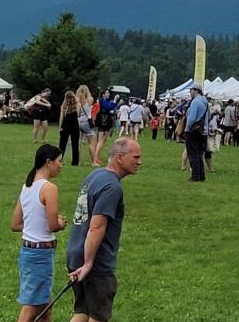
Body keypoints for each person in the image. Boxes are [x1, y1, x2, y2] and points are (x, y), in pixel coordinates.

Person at [67, 138, 142, 322]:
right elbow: (96, 227)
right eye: (136, 157)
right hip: (95, 263)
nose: (139, 162)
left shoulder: (95, 175)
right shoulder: (112, 187)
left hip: (75, 254)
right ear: (119, 157)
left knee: (82, 311)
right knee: (98, 316)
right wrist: (89, 263)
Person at [11, 144, 67, 322]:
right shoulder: (49, 188)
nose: (61, 165)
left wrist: (36, 223)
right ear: (48, 162)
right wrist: (60, 222)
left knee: (45, 308)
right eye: (59, 161)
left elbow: (16, 224)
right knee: (31, 308)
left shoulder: (27, 187)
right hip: (41, 254)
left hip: (27, 252)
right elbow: (52, 225)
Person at [184, 84, 209, 182]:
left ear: (196, 91)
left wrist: (187, 128)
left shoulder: (195, 102)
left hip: (193, 131)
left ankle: (195, 176)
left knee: (193, 154)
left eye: (191, 90)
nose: (190, 92)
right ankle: (201, 175)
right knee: (199, 154)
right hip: (203, 131)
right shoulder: (205, 102)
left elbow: (191, 118)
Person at [92, 91, 116, 166]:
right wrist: (115, 100)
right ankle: (95, 157)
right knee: (101, 140)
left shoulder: (101, 101)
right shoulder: (102, 101)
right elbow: (109, 106)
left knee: (100, 141)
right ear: (103, 94)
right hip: (104, 122)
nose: (108, 94)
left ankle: (96, 156)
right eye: (107, 93)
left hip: (102, 121)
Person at [59, 91, 81, 166]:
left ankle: (59, 160)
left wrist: (60, 127)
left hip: (65, 125)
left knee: (62, 144)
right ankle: (75, 162)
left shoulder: (64, 106)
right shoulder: (77, 105)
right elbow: (78, 114)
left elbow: (61, 117)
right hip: (75, 125)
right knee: (75, 145)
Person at [76, 86, 97, 165]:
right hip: (86, 122)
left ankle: (77, 161)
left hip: (78, 121)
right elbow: (91, 97)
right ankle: (93, 162)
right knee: (91, 142)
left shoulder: (77, 101)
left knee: (78, 143)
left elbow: (77, 113)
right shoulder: (89, 100)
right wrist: (87, 90)